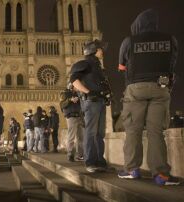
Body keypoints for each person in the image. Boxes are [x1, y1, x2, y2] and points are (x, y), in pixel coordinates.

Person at [116, 9, 180, 186]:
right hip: (160, 88)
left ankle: (131, 169)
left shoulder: (129, 41)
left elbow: (121, 67)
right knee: (156, 132)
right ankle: (161, 174)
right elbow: (172, 64)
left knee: (133, 130)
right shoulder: (170, 39)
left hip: (136, 88)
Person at [70, 39, 111, 173]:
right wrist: (88, 92)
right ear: (93, 50)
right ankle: (90, 162)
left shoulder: (97, 66)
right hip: (91, 102)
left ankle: (100, 161)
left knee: (100, 133)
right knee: (91, 132)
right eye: (100, 49)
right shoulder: (85, 64)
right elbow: (73, 80)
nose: (102, 51)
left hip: (100, 101)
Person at [60, 83, 84, 161]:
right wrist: (70, 100)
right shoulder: (65, 93)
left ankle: (80, 155)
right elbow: (62, 105)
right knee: (71, 136)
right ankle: (70, 154)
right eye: (77, 86)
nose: (79, 87)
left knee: (81, 137)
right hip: (71, 117)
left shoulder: (79, 93)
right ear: (72, 86)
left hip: (80, 117)